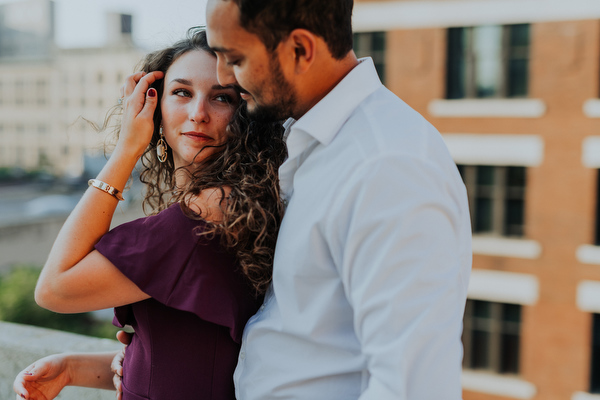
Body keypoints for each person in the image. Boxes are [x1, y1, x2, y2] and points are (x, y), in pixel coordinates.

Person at [202, 0, 473, 399]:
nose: (224, 76)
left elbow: (413, 387)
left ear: (300, 50)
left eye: (235, 58)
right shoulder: (310, 136)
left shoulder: (387, 167)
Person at [13, 27, 287, 400]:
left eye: (222, 98)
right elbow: (189, 355)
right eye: (182, 92)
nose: (198, 113)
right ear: (154, 104)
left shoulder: (211, 211)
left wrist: (126, 149)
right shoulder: (225, 206)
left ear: (247, 115)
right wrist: (72, 367)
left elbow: (54, 289)